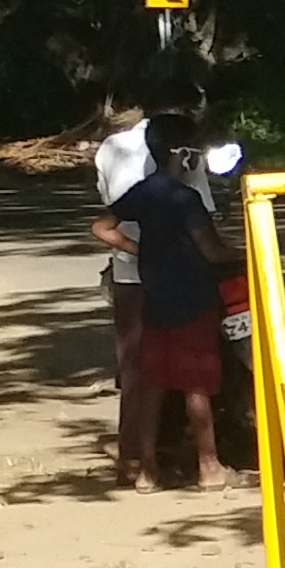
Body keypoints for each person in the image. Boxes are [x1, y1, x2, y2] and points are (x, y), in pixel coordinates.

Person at [94, 114, 243, 491]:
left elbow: (101, 227)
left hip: (155, 299)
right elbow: (210, 251)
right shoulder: (186, 198)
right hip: (193, 299)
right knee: (197, 386)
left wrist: (138, 249)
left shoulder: (145, 192)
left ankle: (147, 472)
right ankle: (209, 467)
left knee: (154, 385)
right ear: (184, 155)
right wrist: (250, 255)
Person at [87, 103, 161, 485]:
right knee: (183, 365)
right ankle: (201, 460)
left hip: (129, 271)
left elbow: (105, 216)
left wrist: (133, 250)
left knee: (135, 367)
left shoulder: (111, 148)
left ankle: (133, 456)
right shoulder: (177, 147)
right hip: (173, 273)